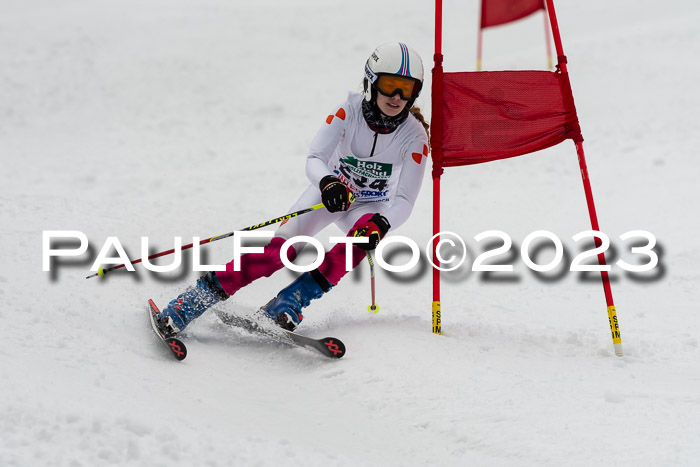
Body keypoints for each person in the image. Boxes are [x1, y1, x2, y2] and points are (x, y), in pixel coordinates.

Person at [156, 42, 430, 335]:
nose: (398, 97)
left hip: (368, 206)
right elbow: (315, 158)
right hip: (329, 197)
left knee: (359, 242)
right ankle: (192, 301)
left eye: (407, 89)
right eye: (390, 85)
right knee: (278, 253)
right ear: (371, 82)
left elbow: (404, 200)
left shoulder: (414, 137)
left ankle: (291, 300)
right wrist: (328, 182)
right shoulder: (347, 111)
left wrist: (381, 222)